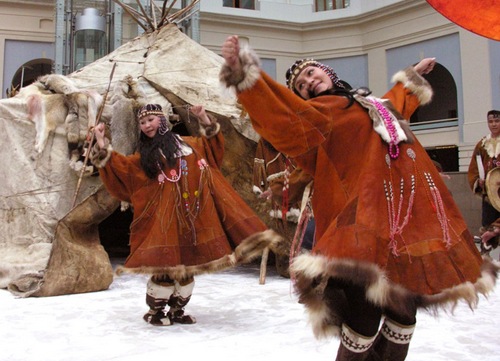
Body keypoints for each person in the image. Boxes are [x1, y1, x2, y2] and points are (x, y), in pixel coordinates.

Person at [219, 35, 498, 360]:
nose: (309, 81)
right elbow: (285, 119)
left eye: (311, 72)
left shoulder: (370, 104)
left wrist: (415, 74)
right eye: (301, 84)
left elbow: (398, 100)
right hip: (360, 228)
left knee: (404, 313)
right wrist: (248, 76)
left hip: (403, 224)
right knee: (363, 317)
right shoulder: (317, 115)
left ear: (328, 72)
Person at [90, 103, 279, 326]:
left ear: (162, 120)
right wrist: (101, 142)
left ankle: (178, 310)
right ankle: (156, 312)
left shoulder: (189, 144)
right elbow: (123, 169)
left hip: (194, 216)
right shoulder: (146, 157)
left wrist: (204, 119)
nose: (146, 126)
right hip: (165, 219)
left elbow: (212, 148)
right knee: (165, 270)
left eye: (150, 120)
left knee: (188, 269)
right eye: (142, 123)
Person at [468, 110, 500, 229]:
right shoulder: (482, 145)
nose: (494, 124)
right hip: (489, 195)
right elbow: (473, 168)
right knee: (489, 228)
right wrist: (478, 181)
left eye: (497, 121)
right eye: (490, 121)